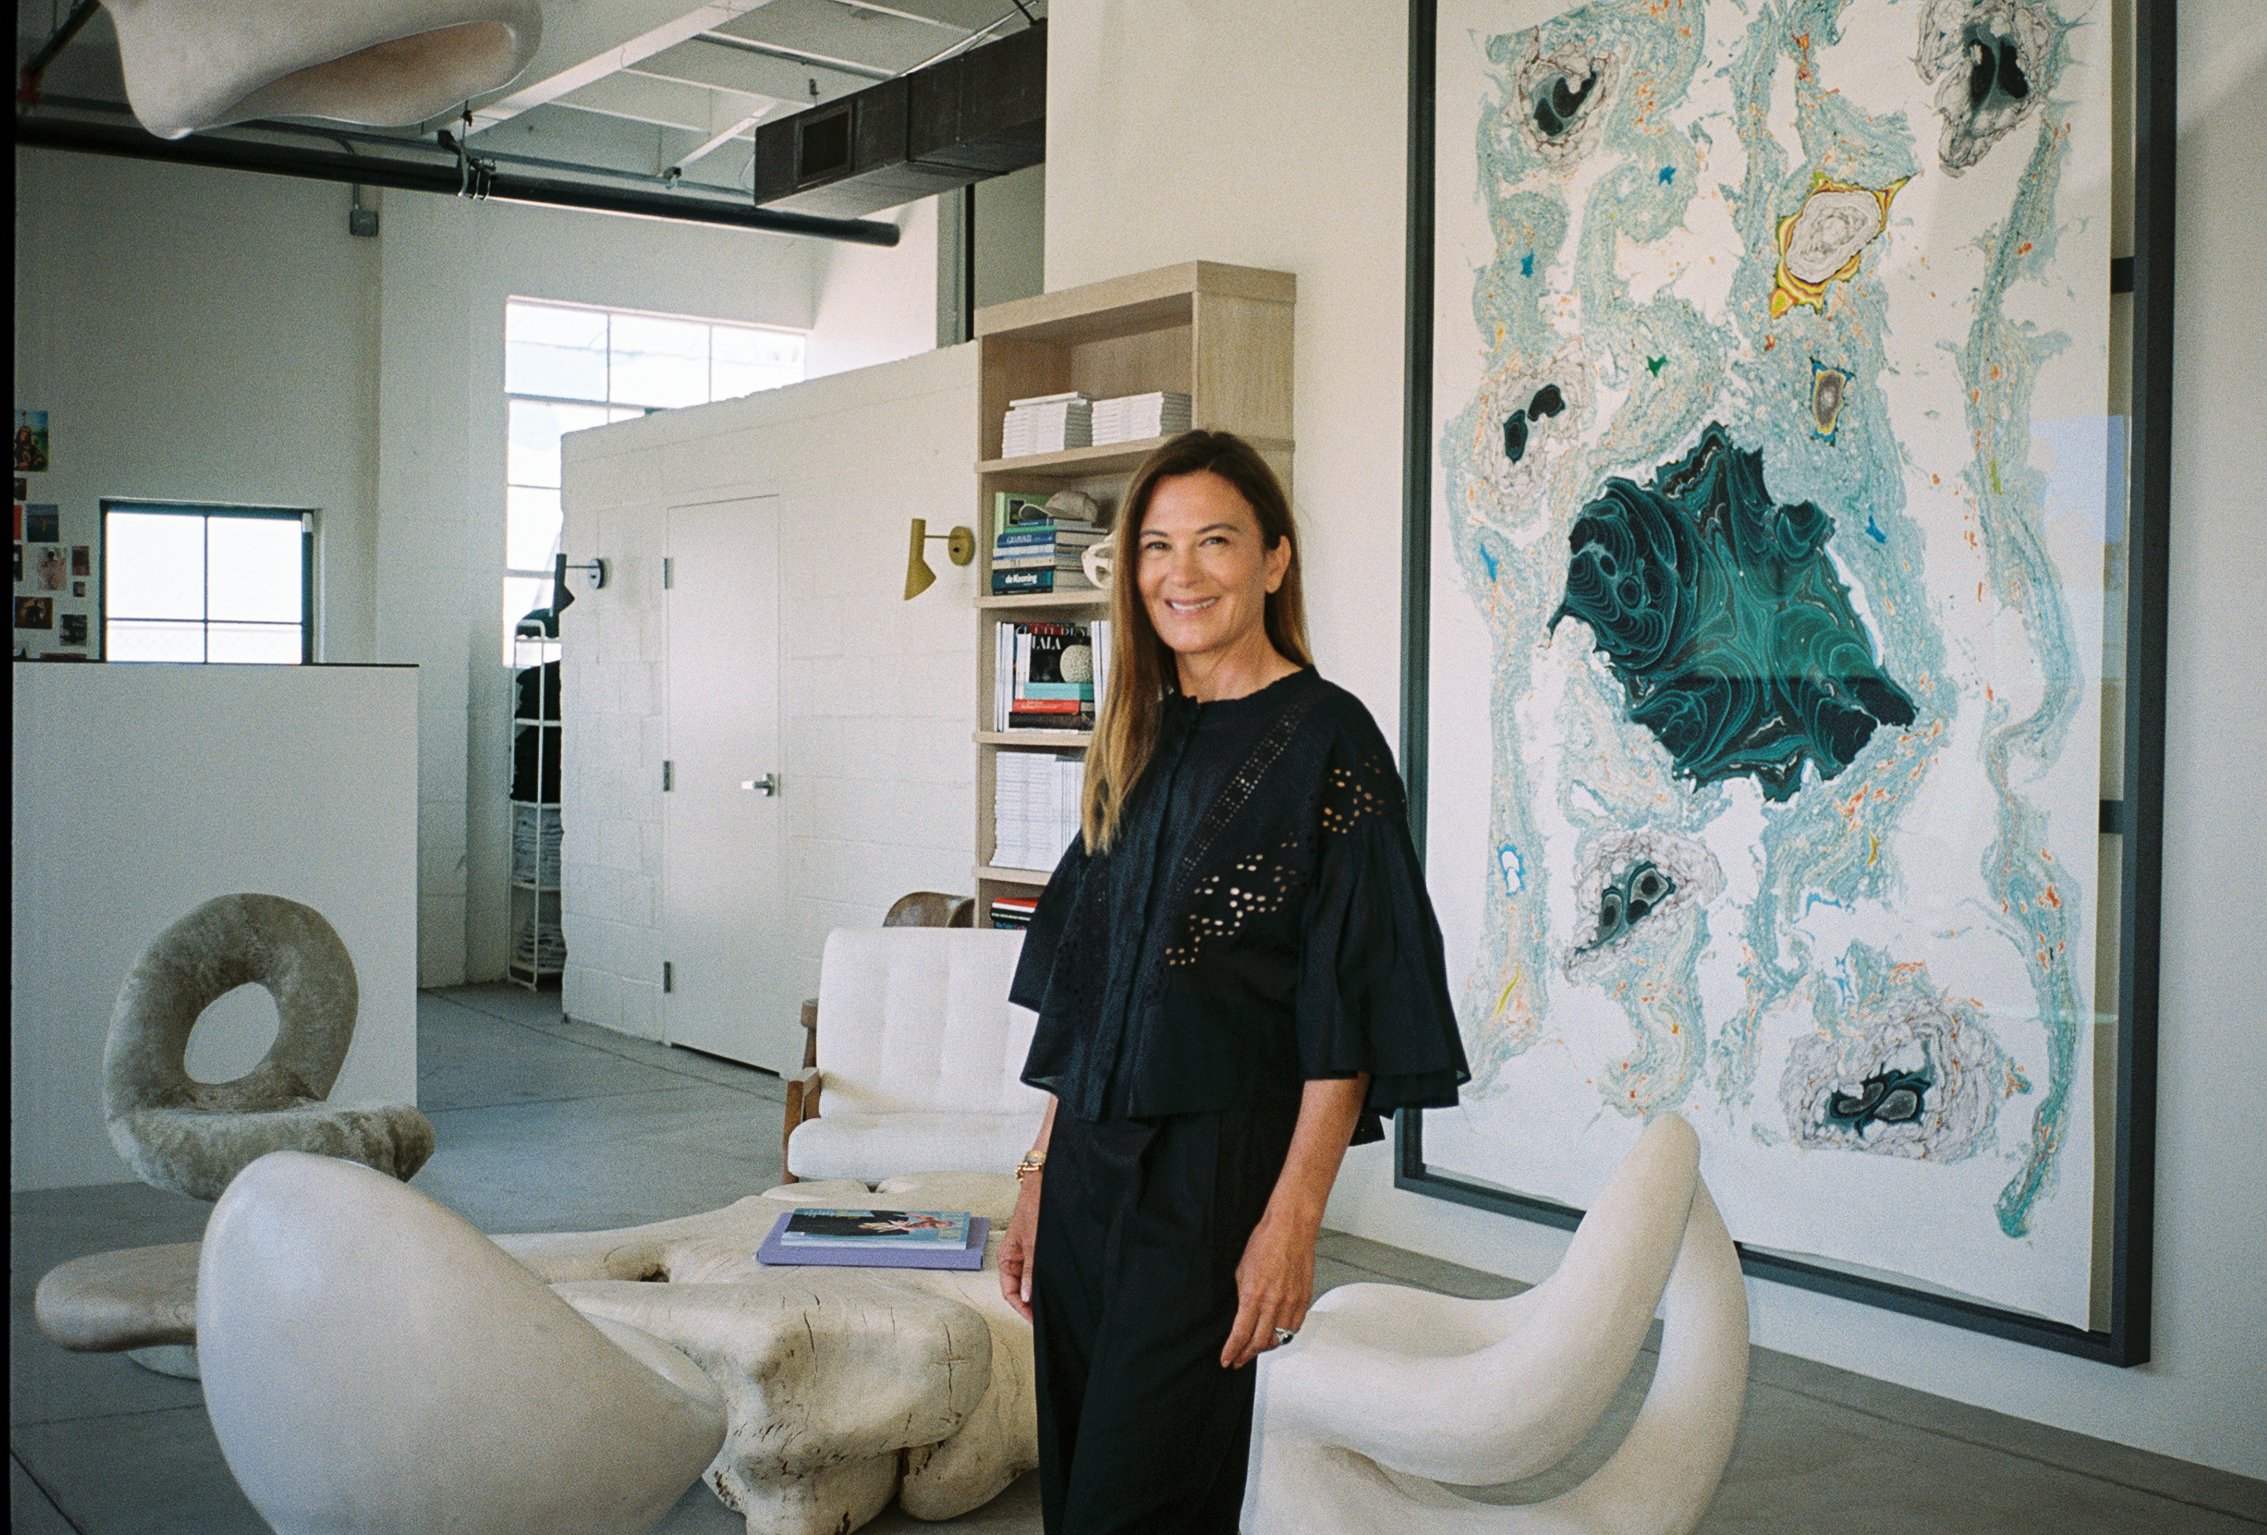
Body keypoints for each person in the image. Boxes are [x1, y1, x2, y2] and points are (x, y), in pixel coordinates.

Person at [997, 429, 1469, 1533]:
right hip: (1085, 1177)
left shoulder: (1330, 741)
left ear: (1273, 559)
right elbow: (1091, 985)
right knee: (1076, 1492)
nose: (1182, 571)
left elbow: (1347, 1010)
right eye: (1156, 546)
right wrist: (1036, 1169)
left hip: (1212, 1180)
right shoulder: (1134, 735)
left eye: (1214, 540)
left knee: (1140, 1497)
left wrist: (1292, 1218)